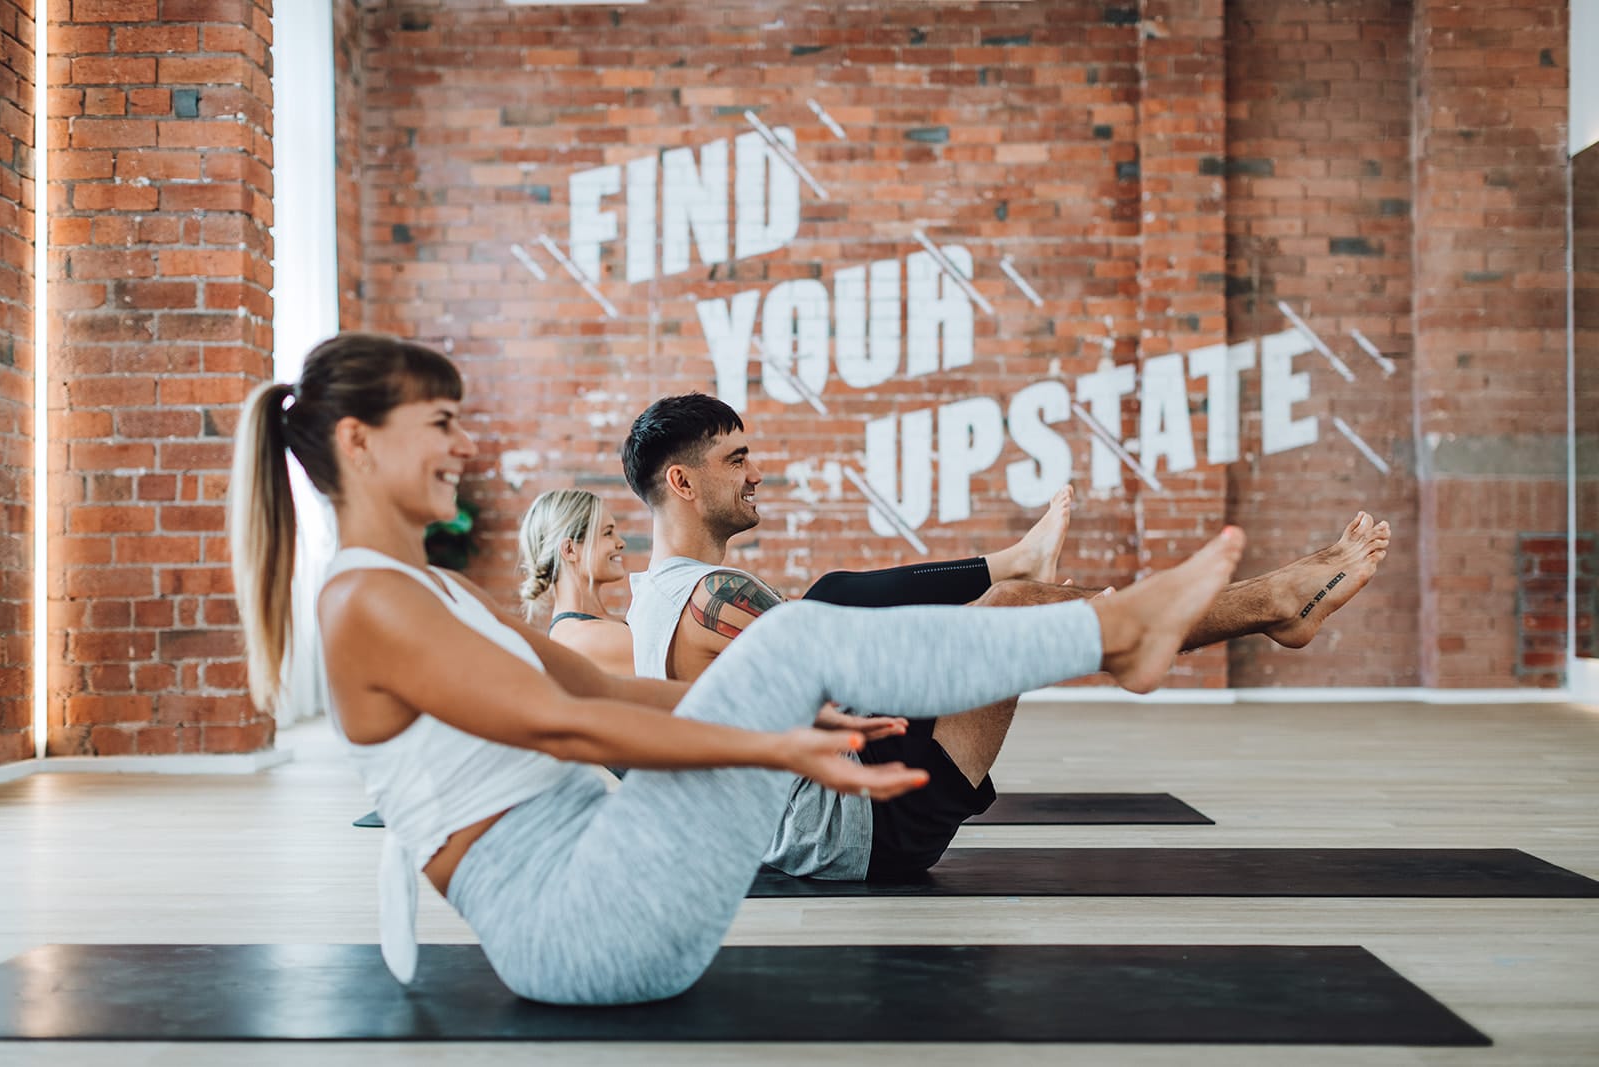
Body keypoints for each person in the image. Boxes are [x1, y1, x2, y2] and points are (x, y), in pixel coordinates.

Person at [229, 331, 1246, 1005]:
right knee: (802, 633)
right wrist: (773, 742)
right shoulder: (366, 598)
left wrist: (778, 731)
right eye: (441, 424)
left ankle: (1116, 629)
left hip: (607, 890)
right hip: (580, 927)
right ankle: (1117, 631)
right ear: (360, 443)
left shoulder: (429, 590)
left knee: (800, 641)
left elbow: (611, 691)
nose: (465, 446)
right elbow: (563, 730)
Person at [619, 393, 1392, 881]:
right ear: (682, 483)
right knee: (1005, 604)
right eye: (737, 458)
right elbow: (864, 684)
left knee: (1000, 603)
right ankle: (1267, 603)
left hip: (825, 812)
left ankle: (1203, 613)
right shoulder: (717, 597)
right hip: (861, 828)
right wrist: (1011, 622)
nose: (757, 472)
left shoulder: (654, 600)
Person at [517, 488, 633, 675]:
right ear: (570, 550)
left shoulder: (595, 628)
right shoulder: (584, 638)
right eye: (608, 533)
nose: (620, 542)